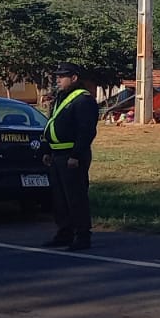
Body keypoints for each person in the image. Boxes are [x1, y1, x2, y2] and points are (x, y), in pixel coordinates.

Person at [41, 62, 99, 251]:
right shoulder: (61, 98)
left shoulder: (83, 100)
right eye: (57, 76)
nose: (58, 79)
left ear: (74, 78)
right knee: (60, 199)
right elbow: (52, 124)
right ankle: (64, 232)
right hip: (57, 154)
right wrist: (47, 151)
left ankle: (82, 236)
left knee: (76, 197)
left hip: (72, 156)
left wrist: (76, 155)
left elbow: (86, 131)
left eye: (62, 76)